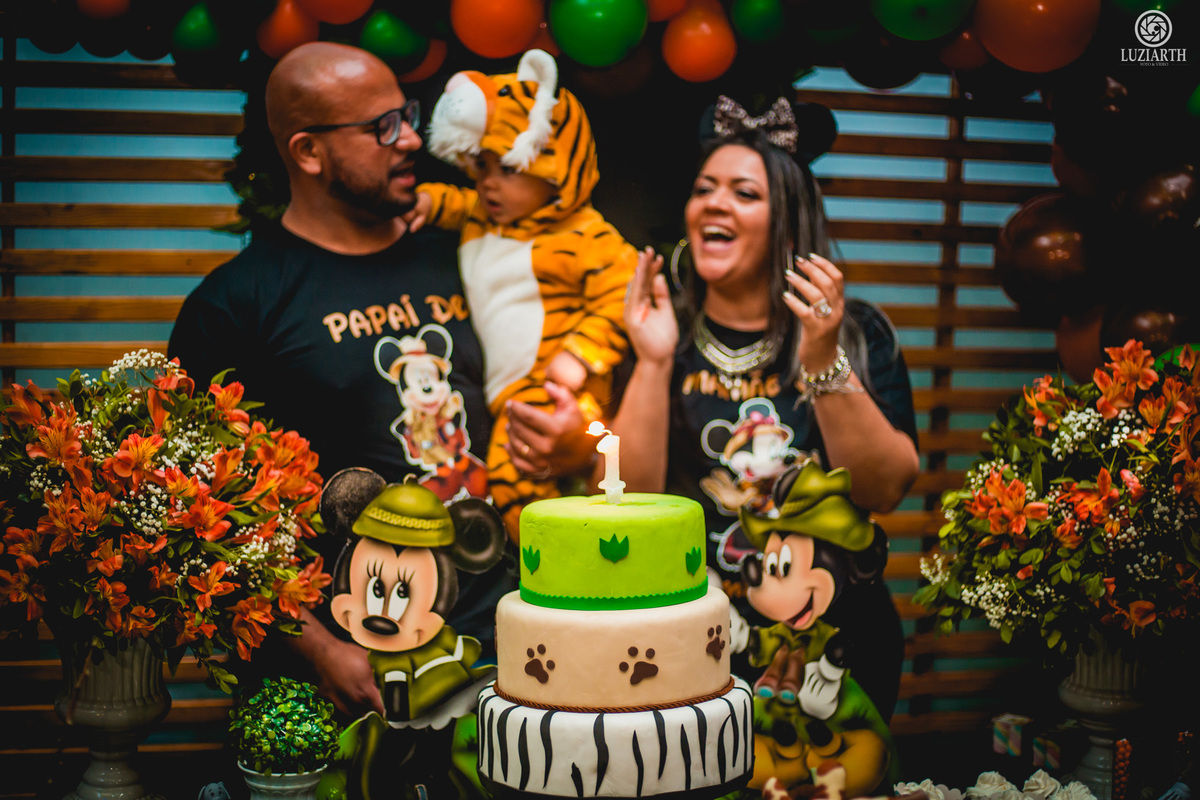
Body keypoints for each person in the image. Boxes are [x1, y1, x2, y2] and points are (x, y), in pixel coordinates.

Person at [167, 42, 589, 720]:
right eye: (382, 127)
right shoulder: (235, 307)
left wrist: (573, 444)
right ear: (309, 152)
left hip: (507, 652)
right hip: (356, 673)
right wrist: (319, 650)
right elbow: (198, 518)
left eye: (408, 115)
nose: (412, 139)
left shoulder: (468, 254)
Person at [609, 95, 920, 720]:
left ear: (788, 224)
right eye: (704, 189)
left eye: (744, 193)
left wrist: (822, 358)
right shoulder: (664, 335)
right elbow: (624, 501)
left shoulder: (857, 334)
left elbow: (885, 488)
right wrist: (654, 360)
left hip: (831, 652)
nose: (714, 203)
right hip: (696, 644)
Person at [410, 48, 638, 538]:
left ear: (556, 170)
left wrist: (581, 355)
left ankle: (558, 558)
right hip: (508, 389)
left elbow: (624, 294)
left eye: (509, 169)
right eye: (482, 166)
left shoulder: (584, 234)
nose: (489, 184)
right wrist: (430, 200)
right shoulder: (484, 215)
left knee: (516, 480)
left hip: (551, 386)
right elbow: (461, 202)